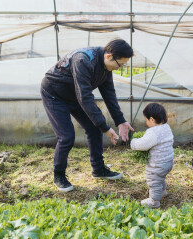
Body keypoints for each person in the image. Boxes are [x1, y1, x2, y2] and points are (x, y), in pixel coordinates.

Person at [41, 39, 134, 192]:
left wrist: (120, 121)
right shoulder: (84, 60)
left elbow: (109, 94)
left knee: (93, 128)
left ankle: (98, 170)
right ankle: (59, 175)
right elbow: (84, 96)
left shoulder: (106, 67)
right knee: (66, 137)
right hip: (54, 94)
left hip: (75, 95)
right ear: (109, 56)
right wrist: (105, 127)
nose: (120, 68)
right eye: (120, 64)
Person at [130, 103, 174, 208]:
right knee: (160, 178)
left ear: (152, 119)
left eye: (146, 120)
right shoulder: (166, 127)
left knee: (154, 181)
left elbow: (143, 145)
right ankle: (163, 191)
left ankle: (154, 201)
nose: (146, 122)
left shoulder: (153, 132)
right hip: (168, 162)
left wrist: (134, 142)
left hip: (157, 165)